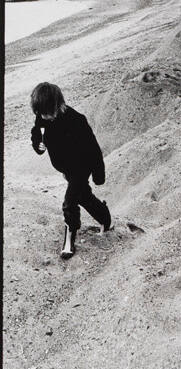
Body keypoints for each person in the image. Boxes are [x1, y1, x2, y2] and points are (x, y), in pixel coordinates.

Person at [30, 82, 111, 259]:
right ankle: (105, 217)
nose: (45, 117)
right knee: (83, 196)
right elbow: (36, 133)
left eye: (48, 112)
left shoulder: (76, 120)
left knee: (69, 202)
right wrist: (38, 144)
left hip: (82, 165)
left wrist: (99, 175)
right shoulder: (42, 117)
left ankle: (69, 237)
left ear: (58, 105)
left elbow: (93, 149)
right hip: (66, 167)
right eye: (41, 113)